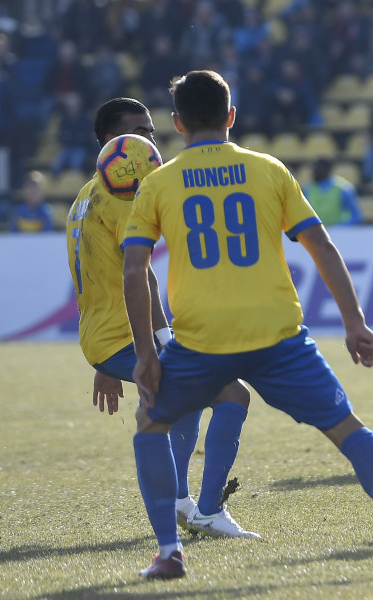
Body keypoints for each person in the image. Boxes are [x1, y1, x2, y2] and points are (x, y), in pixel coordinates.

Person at [122, 70, 373, 579]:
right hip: (278, 338)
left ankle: (168, 551)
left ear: (177, 123)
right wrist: (355, 323)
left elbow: (135, 271)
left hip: (202, 342)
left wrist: (145, 355)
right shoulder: (268, 170)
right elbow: (322, 247)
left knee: (150, 424)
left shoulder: (158, 182)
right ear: (230, 116)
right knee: (347, 428)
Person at [66, 97, 256, 541]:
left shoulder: (85, 195)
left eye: (150, 132)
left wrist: (101, 358)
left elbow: (92, 274)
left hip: (106, 337)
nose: (149, 142)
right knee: (233, 393)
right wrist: (157, 343)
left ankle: (179, 501)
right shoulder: (124, 201)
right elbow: (143, 279)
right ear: (111, 143)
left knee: (184, 401)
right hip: (123, 335)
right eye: (137, 133)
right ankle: (206, 511)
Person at [302, 157, 362, 226]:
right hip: (316, 232)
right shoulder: (308, 189)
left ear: (327, 169)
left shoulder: (343, 188)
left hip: (339, 234)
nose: (314, 171)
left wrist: (340, 228)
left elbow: (356, 216)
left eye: (317, 168)